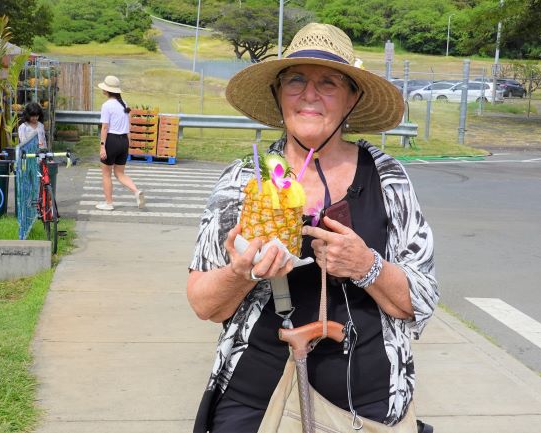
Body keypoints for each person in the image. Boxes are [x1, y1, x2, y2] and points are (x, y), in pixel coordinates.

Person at [187, 23, 438, 433]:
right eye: (295, 80)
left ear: (352, 98)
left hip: (368, 404)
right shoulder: (243, 180)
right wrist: (240, 273)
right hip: (257, 400)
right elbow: (203, 303)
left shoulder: (388, 177)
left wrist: (366, 266)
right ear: (277, 94)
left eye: (329, 82)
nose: (309, 94)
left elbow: (421, 300)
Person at [96, 75, 145, 210]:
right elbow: (128, 126)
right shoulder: (124, 103)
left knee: (106, 174)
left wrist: (102, 146)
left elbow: (105, 127)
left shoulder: (106, 105)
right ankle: (136, 191)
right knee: (120, 173)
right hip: (124, 141)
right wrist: (127, 144)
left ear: (107, 90)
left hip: (111, 140)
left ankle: (109, 203)